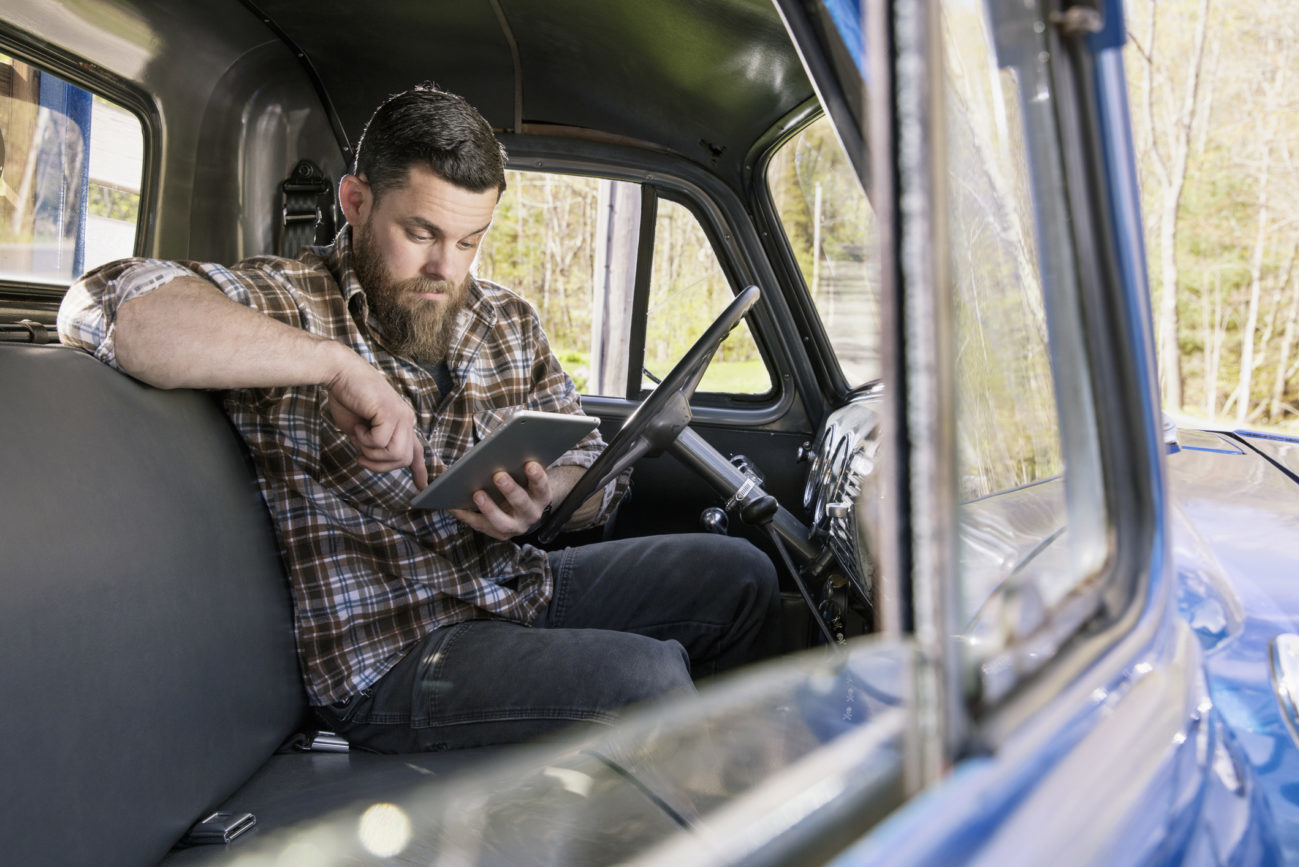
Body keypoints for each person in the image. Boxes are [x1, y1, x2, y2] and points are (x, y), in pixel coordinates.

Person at [57, 83, 780, 753]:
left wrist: (548, 495)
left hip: (517, 588)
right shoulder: (290, 302)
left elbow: (599, 477)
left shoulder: (508, 320)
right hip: (394, 655)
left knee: (739, 572)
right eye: (422, 232)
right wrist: (337, 365)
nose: (446, 267)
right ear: (356, 202)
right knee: (647, 678)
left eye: (469, 240)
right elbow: (104, 302)